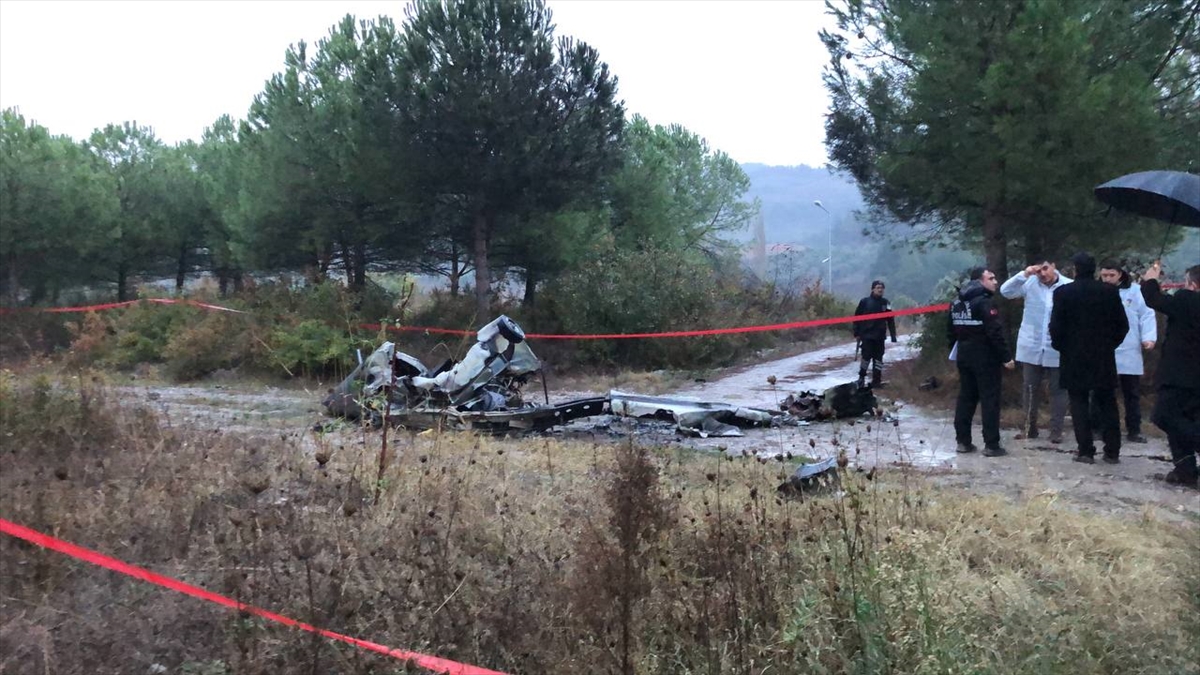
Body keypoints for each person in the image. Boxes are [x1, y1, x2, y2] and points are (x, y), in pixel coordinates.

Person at [1048, 252, 1128, 464]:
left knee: (1078, 402)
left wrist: (1062, 347)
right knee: (1107, 402)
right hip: (1102, 354)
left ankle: (1085, 450)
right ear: (1095, 271)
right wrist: (1110, 345)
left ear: (1075, 269)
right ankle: (1112, 451)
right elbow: (1122, 325)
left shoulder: (1063, 293)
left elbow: (1056, 326)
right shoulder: (1109, 292)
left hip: (1073, 355)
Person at [1141, 262, 1200, 488]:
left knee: (1164, 416)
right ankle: (1185, 470)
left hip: (1179, 374)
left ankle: (1186, 467)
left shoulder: (1187, 299)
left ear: (1192, 284)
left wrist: (1151, 279)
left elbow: (1154, 300)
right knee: (1183, 420)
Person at [999, 260, 1072, 443]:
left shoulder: (1068, 285)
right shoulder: (1029, 283)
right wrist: (1024, 274)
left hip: (1058, 345)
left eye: (1045, 268)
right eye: (1038, 271)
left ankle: (1056, 430)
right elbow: (1005, 291)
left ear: (1054, 266)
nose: (1042, 274)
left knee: (1058, 389)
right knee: (1030, 388)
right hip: (1031, 345)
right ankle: (1029, 428)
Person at [947, 267, 1016, 457]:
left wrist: (957, 353)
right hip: (985, 358)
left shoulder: (956, 303)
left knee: (966, 398)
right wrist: (1006, 357)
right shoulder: (985, 302)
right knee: (990, 400)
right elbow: (995, 332)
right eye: (990, 278)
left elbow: (950, 332)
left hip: (964, 357)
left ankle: (963, 441)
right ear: (979, 281)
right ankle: (992, 445)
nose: (995, 282)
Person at [1098, 260, 1157, 443]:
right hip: (1103, 348)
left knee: (1131, 392)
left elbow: (1146, 314)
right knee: (1101, 391)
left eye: (1111, 275)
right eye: (1104, 275)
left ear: (1120, 275)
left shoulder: (1135, 291)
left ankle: (1134, 429)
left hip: (1129, 348)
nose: (1108, 279)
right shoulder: (1096, 292)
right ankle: (1098, 427)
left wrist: (1148, 337)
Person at [852, 280, 898, 389]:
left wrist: (893, 335)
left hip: (880, 336)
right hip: (867, 336)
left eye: (882, 288)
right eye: (878, 287)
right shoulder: (864, 302)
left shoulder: (886, 303)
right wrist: (856, 333)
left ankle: (876, 381)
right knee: (866, 357)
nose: (880, 290)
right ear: (873, 289)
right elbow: (856, 318)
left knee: (878, 359)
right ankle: (861, 378)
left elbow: (890, 319)